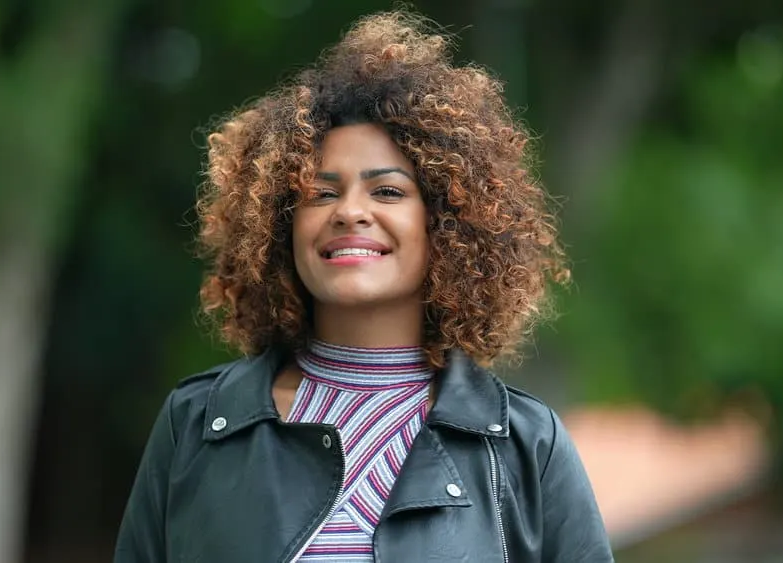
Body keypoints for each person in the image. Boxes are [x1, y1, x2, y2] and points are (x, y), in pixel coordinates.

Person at [115, 10, 613, 563]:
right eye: (321, 194)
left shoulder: (524, 446)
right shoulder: (198, 424)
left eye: (389, 192)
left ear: (446, 224)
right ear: (282, 225)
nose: (350, 212)